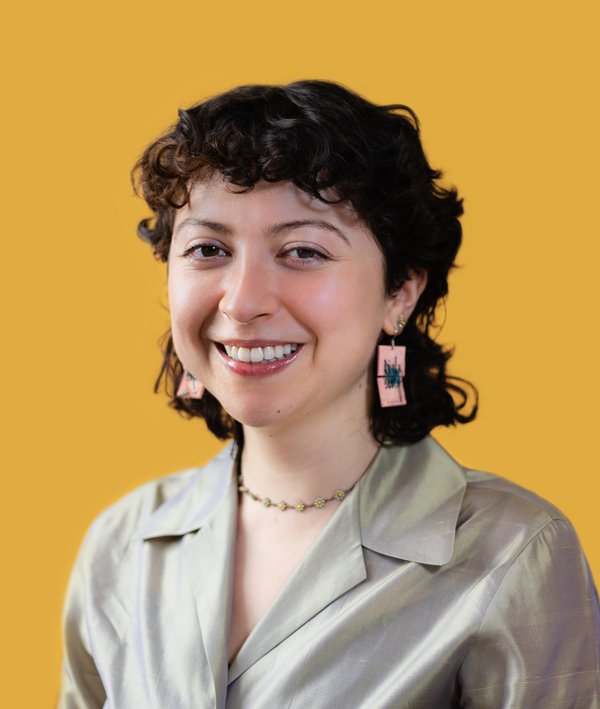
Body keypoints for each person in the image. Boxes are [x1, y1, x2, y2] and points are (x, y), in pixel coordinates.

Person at [58, 81, 600, 708]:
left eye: (302, 251)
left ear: (400, 292)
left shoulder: (515, 555)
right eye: (208, 249)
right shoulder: (120, 547)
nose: (243, 301)